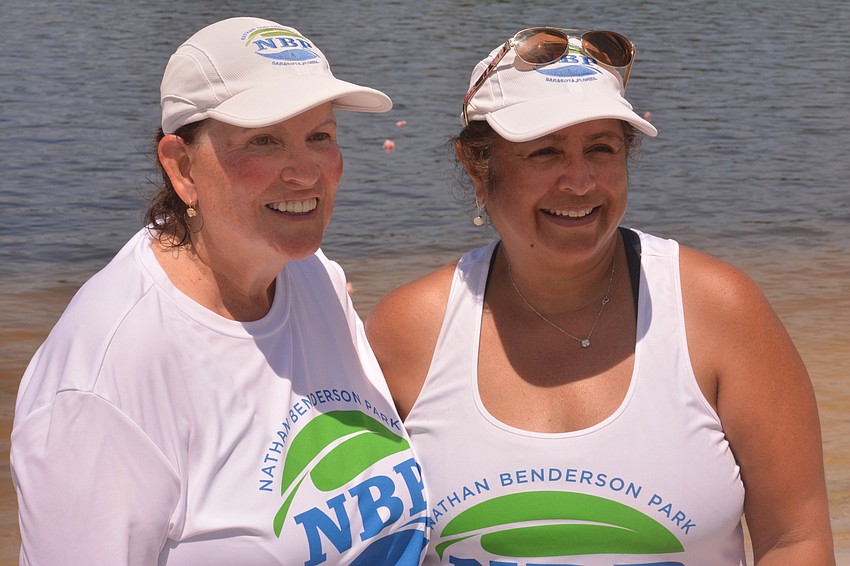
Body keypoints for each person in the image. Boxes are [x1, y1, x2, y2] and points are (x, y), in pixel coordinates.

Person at [366, 27, 834, 565]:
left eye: (601, 148)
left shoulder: (719, 309)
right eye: (544, 152)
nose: (580, 181)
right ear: (478, 167)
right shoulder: (408, 329)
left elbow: (795, 540)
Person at [11, 17, 428, 565]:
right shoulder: (104, 383)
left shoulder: (311, 276)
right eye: (263, 141)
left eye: (320, 136)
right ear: (182, 168)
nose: (305, 172)